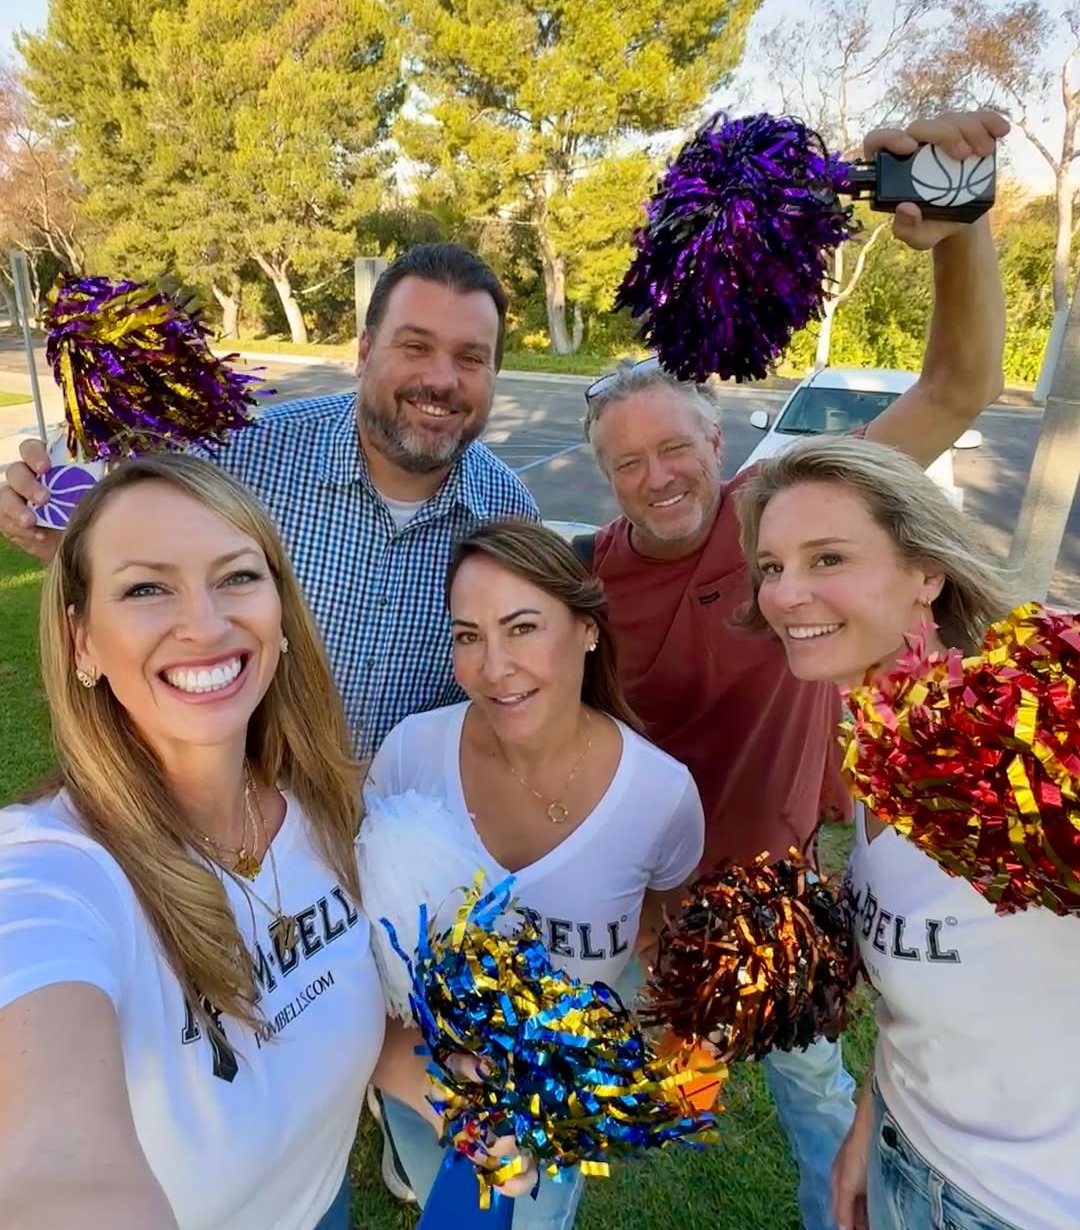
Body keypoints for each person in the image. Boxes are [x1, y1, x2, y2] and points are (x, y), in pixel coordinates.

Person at [1, 242, 538, 1202]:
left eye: (472, 357)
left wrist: (444, 1090)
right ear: (363, 349)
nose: (441, 379)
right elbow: (53, 1156)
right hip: (217, 791)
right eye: (415, 345)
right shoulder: (57, 877)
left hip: (367, 838)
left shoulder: (509, 510)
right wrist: (59, 511)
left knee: (317, 1026)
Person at [577, 109, 1012, 1230]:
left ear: (719, 446)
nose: (658, 477)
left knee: (817, 1095)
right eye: (628, 463)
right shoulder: (583, 582)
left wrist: (958, 221)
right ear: (605, 478)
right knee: (596, 1093)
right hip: (641, 898)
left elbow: (958, 386)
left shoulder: (788, 518)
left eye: (676, 448)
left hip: (777, 892)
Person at [735, 434, 1080, 1230]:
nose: (785, 594)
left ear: (927, 572)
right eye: (772, 566)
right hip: (906, 1159)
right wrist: (873, 1117)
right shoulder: (880, 745)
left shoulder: (1032, 747)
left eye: (827, 558)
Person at [365, 519, 706, 1229]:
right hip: (421, 1088)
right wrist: (428, 1088)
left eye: (522, 627)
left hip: (559, 1112)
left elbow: (661, 934)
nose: (495, 667)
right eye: (468, 635)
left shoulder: (660, 795)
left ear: (587, 629)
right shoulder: (410, 754)